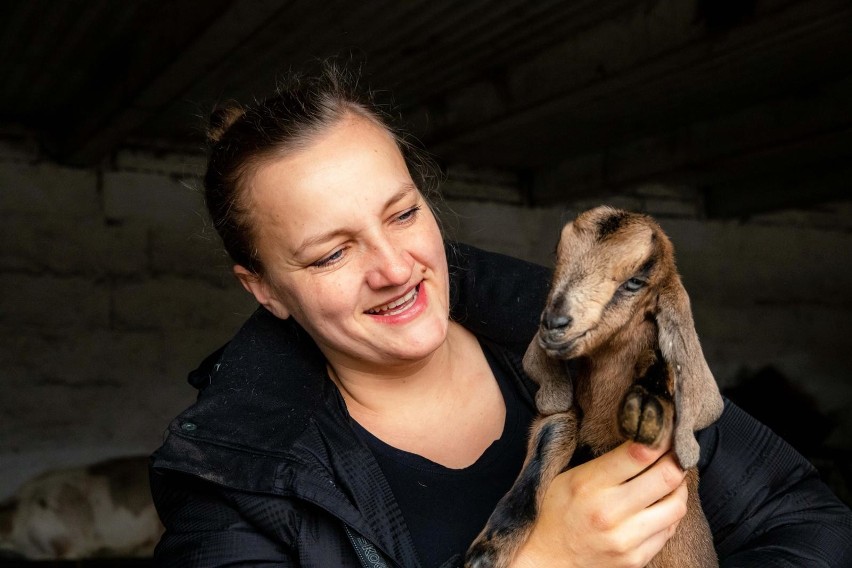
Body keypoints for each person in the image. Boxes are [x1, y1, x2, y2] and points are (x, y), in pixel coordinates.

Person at [149, 63, 852, 568]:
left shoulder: (601, 350)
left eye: (402, 214)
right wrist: (545, 558)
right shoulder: (232, 486)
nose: (395, 268)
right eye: (332, 253)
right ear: (264, 289)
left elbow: (805, 518)